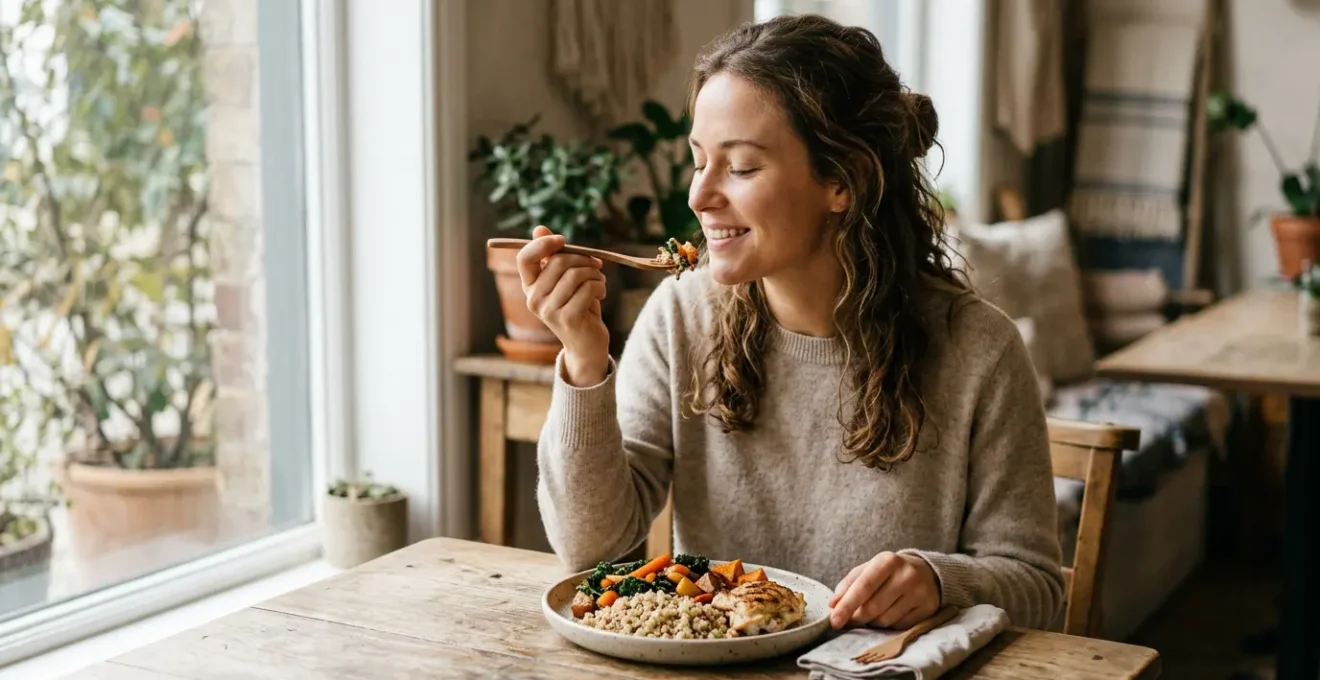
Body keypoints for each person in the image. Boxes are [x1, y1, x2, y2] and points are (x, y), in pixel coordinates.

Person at [517, 13, 1065, 631]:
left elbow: (1038, 587)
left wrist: (940, 581)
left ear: (844, 180)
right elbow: (592, 549)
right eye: (699, 161)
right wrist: (584, 361)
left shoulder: (981, 350)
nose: (699, 197)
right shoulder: (680, 315)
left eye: (741, 167)